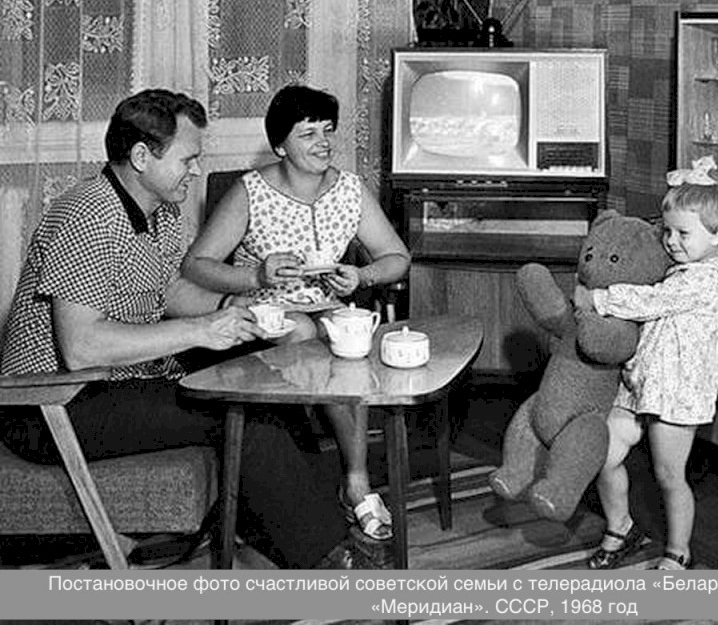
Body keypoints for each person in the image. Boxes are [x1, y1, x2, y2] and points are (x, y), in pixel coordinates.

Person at [0, 89, 356, 569]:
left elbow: (168, 291)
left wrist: (234, 307)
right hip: (53, 404)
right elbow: (82, 347)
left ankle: (301, 536)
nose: (196, 170)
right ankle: (332, 565)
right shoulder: (86, 215)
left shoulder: (158, 208)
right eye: (188, 159)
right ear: (141, 156)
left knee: (272, 381)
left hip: (120, 381)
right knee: (246, 417)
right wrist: (201, 330)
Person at [181, 84, 411, 547]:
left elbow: (397, 257)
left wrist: (361, 276)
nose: (323, 142)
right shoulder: (250, 192)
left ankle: (354, 481)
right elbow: (196, 265)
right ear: (281, 145)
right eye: (308, 134)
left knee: (345, 339)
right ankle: (332, 483)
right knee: (308, 332)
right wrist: (255, 274)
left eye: (327, 130)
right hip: (260, 315)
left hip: (328, 313)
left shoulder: (350, 189)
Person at [575, 155, 718, 571]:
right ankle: (620, 526)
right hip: (639, 384)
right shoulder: (681, 265)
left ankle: (678, 552)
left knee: (668, 475)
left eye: (683, 233)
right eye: (667, 231)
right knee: (603, 454)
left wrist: (598, 298)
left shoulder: (709, 279)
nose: (672, 242)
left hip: (677, 394)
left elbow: (652, 301)